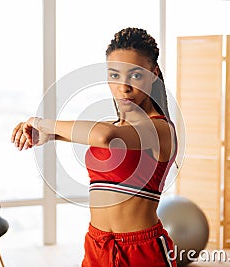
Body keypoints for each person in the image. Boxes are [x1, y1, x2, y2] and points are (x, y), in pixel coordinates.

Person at [11, 27, 177, 267]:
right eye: (114, 75)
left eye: (136, 75)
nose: (124, 86)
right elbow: (102, 136)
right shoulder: (119, 127)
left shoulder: (160, 130)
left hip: (141, 250)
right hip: (97, 245)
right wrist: (49, 136)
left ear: (153, 74)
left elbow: (105, 136)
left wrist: (43, 123)